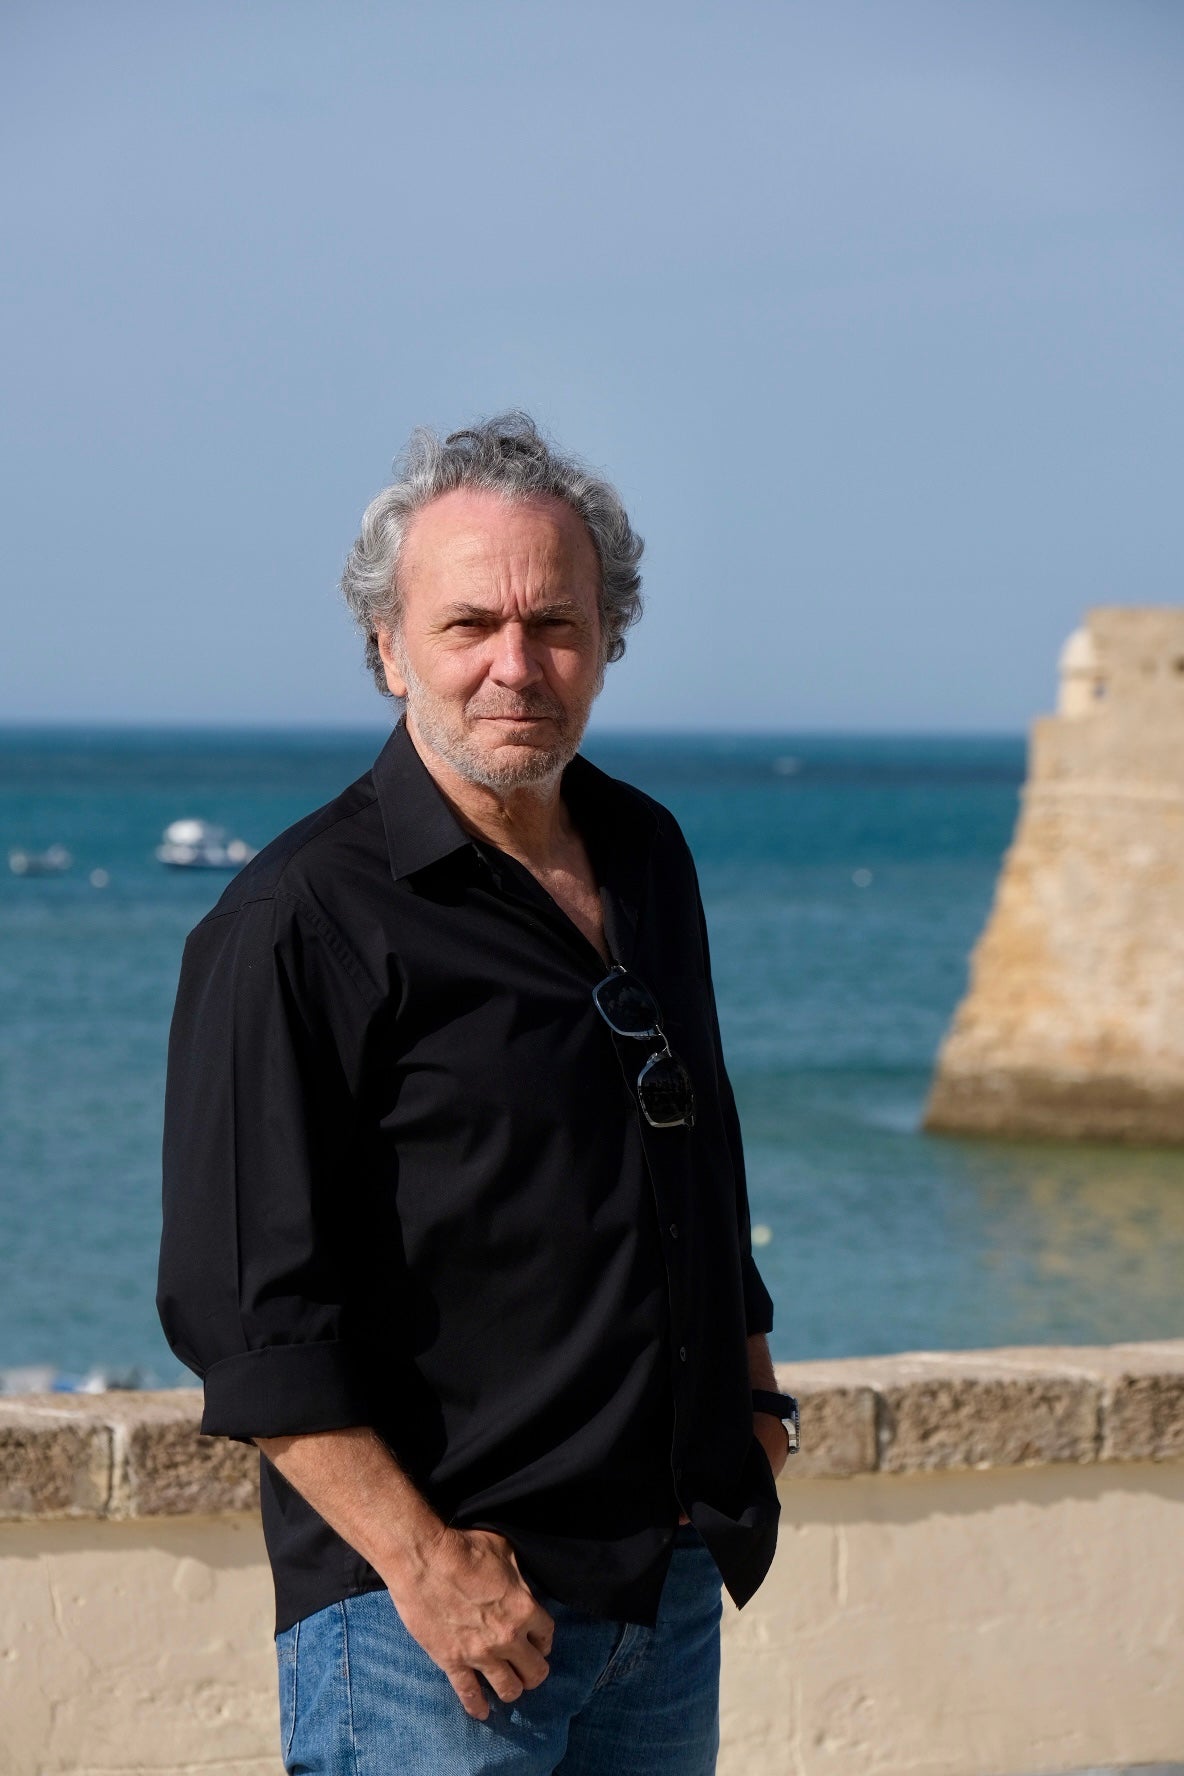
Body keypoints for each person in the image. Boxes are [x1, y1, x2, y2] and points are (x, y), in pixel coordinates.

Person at [157, 413, 796, 1776]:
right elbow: (245, 1314)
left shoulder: (646, 853)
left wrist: (754, 1401)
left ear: (607, 638)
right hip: (430, 1631)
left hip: (663, 1596)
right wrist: (427, 1564)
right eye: (469, 626)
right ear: (390, 649)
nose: (517, 666)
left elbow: (700, 1148)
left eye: (555, 624)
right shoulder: (296, 920)